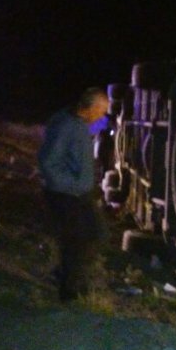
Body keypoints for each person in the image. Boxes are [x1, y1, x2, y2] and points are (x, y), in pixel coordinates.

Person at [38, 87, 110, 301]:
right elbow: (47, 162)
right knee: (77, 241)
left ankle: (65, 275)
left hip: (79, 193)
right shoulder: (67, 126)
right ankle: (69, 291)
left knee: (96, 233)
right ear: (90, 108)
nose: (102, 115)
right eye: (102, 110)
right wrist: (73, 185)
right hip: (65, 195)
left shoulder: (78, 122)